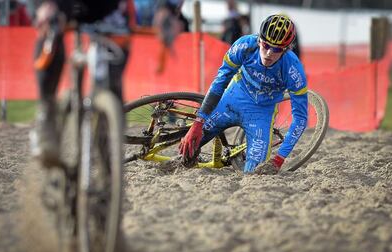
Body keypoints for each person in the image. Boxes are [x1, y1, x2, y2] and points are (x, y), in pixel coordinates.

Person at [31, 0, 184, 165]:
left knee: (112, 71)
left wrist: (166, 9)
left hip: (110, 7)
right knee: (51, 28)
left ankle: (107, 140)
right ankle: (46, 113)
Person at [179, 14, 308, 175]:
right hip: (231, 100)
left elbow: (301, 119)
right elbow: (220, 81)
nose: (268, 53)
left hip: (260, 114)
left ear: (286, 49)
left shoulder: (294, 70)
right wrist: (198, 121)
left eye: (276, 49)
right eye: (266, 45)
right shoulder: (245, 45)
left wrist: (280, 158)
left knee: (254, 173)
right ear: (259, 39)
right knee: (185, 152)